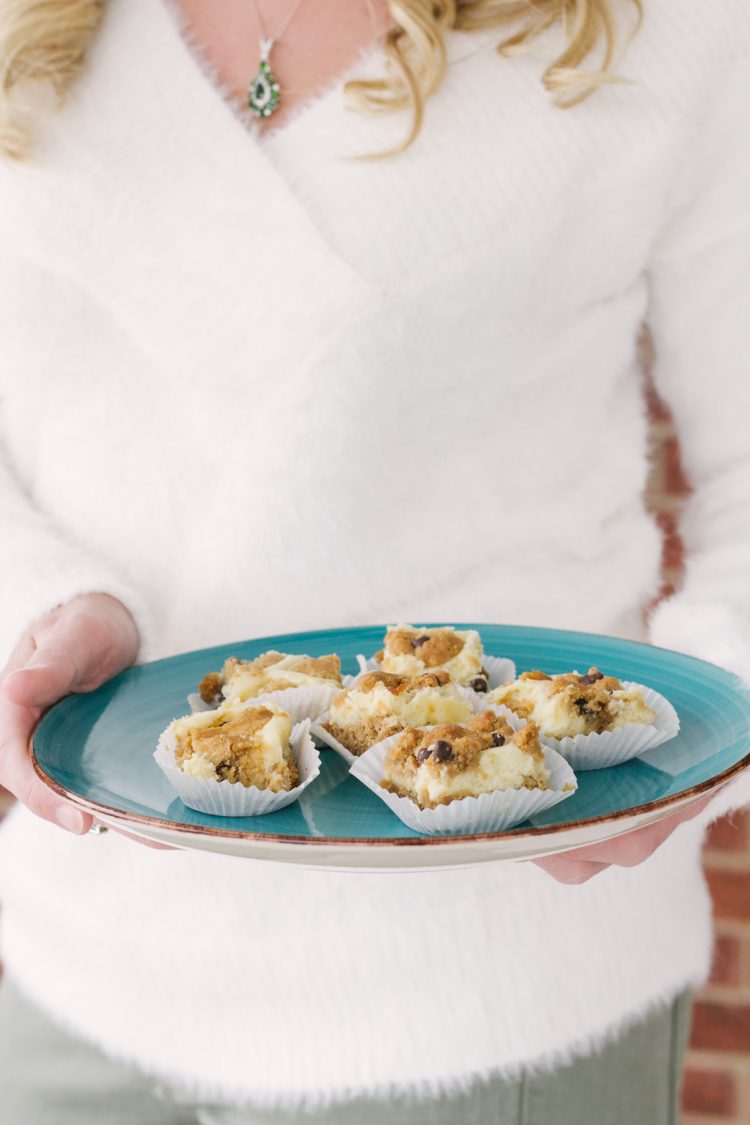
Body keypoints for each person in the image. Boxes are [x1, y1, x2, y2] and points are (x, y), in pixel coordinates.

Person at [0, 0, 748, 1120]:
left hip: (493, 985)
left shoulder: (676, 29)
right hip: (81, 962)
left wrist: (686, 742)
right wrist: (42, 604)